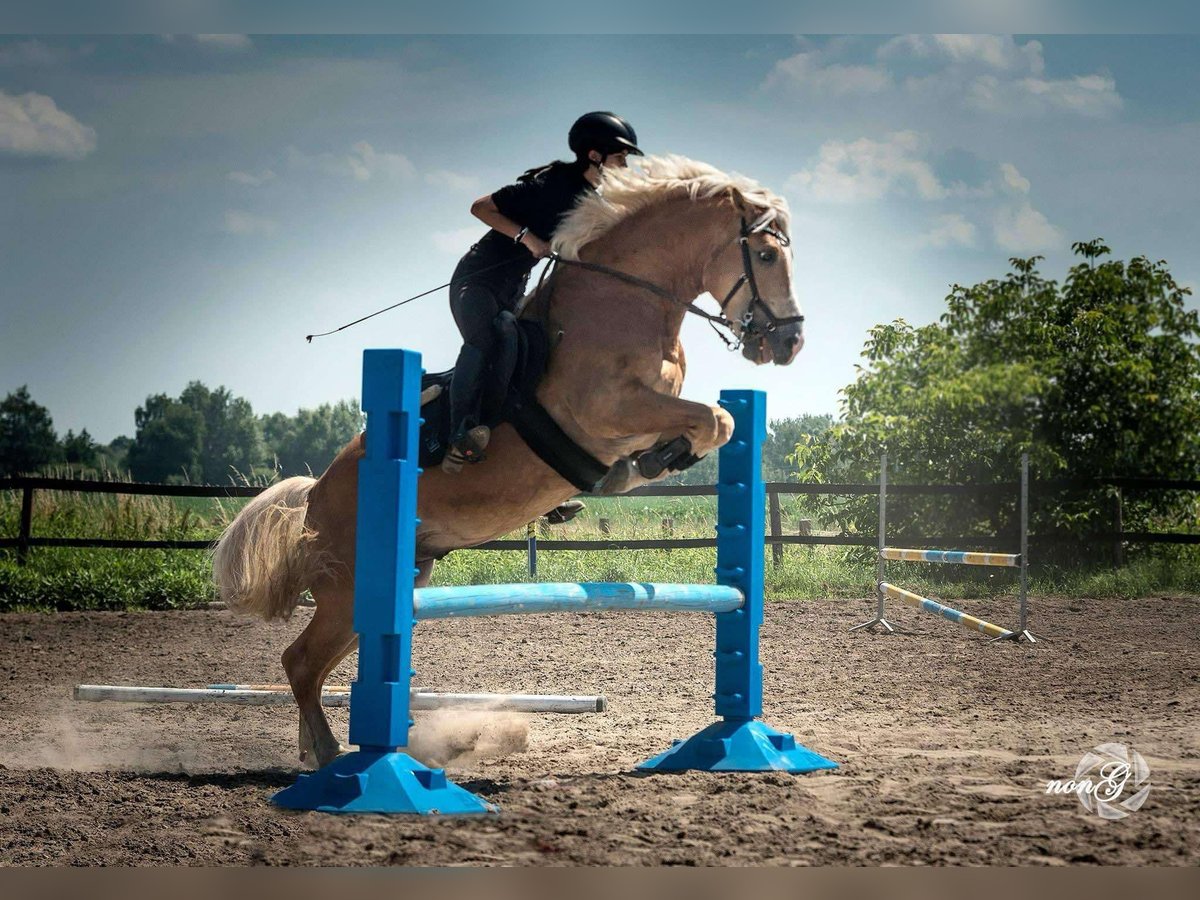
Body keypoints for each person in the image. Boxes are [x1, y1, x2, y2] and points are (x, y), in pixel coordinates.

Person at [442, 111, 643, 474]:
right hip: (477, 281)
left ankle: (536, 461)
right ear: (594, 155)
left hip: (513, 290)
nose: (625, 165)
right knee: (490, 338)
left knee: (534, 353)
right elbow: (480, 207)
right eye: (621, 157)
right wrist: (527, 238)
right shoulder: (550, 183)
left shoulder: (590, 199)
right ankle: (461, 433)